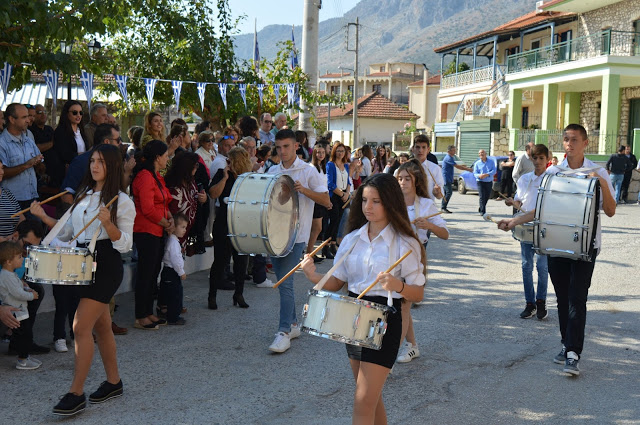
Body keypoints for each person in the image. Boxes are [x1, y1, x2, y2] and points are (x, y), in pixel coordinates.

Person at [300, 173, 426, 424]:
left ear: (390, 202)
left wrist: (397, 285)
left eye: (376, 201)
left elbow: (418, 292)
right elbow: (337, 282)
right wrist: (313, 274)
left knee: (362, 400)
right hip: (353, 316)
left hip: (384, 319)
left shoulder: (406, 243)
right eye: (365, 200)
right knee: (370, 398)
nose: (368, 207)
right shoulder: (351, 239)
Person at [498, 124, 616, 376]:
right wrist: (513, 222)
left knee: (577, 297)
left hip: (585, 246)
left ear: (585, 143)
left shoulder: (598, 171)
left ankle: (573, 353)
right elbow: (538, 210)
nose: (569, 143)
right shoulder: (553, 172)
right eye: (566, 139)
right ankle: (566, 344)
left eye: (574, 139)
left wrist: (601, 184)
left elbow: (611, 210)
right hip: (556, 243)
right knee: (563, 297)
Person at [31, 143, 135, 415]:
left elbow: (125, 245)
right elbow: (67, 235)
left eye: (101, 161)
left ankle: (75, 393)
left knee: (79, 327)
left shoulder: (122, 201)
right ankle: (114, 382)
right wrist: (44, 217)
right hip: (83, 263)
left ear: (111, 166)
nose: (95, 166)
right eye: (92, 161)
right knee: (100, 327)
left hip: (106, 265)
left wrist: (110, 225)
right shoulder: (84, 195)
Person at [267, 129, 329, 353]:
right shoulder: (273, 170)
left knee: (285, 283)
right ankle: (293, 325)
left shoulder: (308, 171)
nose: (282, 151)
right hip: (275, 235)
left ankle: (283, 331)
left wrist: (304, 191)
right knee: (284, 283)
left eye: (286, 146)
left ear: (295, 146)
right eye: (279, 147)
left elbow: (326, 199)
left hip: (298, 236)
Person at [395, 160, 448, 364]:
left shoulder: (426, 204)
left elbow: (445, 234)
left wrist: (428, 225)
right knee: (401, 306)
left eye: (407, 178)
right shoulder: (392, 202)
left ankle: (387, 359)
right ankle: (412, 346)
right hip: (392, 257)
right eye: (399, 178)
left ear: (416, 181)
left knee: (403, 307)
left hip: (416, 258)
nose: (403, 182)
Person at [504, 144, 550, 320]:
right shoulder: (524, 179)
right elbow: (519, 202)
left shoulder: (551, 178)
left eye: (541, 158)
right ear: (530, 158)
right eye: (535, 158)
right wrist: (511, 202)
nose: (538, 162)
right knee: (526, 266)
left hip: (544, 228)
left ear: (547, 159)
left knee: (542, 267)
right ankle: (529, 303)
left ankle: (541, 302)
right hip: (525, 227)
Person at [131, 140, 173, 330]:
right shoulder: (145, 177)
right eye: (165, 155)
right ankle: (141, 315)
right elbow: (148, 209)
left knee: (152, 273)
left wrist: (169, 219)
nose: (168, 158)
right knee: (146, 274)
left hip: (156, 229)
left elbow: (163, 202)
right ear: (157, 157)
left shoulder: (155, 176)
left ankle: (148, 312)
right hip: (146, 231)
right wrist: (166, 224)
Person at [208, 147, 254, 309]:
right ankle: (212, 296)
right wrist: (225, 178)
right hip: (224, 221)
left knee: (241, 261)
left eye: (230, 160)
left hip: (242, 222)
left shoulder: (248, 178)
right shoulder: (222, 174)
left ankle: (239, 294)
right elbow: (213, 194)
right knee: (220, 261)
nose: (226, 162)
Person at [0, 241, 40, 370]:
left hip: (21, 311)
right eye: (19, 257)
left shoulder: (11, 274)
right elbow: (18, 294)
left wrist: (27, 288)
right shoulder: (6, 276)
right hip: (16, 313)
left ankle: (26, 356)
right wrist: (31, 296)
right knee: (23, 336)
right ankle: (22, 360)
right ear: (8, 261)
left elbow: (19, 288)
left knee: (25, 335)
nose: (22, 259)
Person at [0, 103, 44, 211]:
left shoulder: (28, 140)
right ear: (12, 119)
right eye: (24, 117)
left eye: (28, 116)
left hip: (32, 196)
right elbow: (3, 173)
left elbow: (40, 167)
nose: (28, 120)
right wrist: (27, 165)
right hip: (12, 201)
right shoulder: (2, 142)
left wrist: (39, 164)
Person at [160, 213, 188, 325]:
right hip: (172, 271)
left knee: (167, 293)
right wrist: (181, 272)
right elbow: (175, 259)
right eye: (182, 227)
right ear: (174, 227)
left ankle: (164, 311)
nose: (184, 230)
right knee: (175, 295)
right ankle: (173, 317)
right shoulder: (173, 243)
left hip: (168, 271)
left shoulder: (172, 240)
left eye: (185, 227)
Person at [324, 143, 351, 259]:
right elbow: (330, 183)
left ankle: (333, 245)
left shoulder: (346, 166)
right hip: (335, 195)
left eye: (342, 151)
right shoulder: (330, 165)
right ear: (334, 152)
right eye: (338, 151)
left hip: (344, 195)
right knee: (333, 220)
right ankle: (325, 246)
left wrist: (347, 194)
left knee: (339, 221)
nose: (341, 153)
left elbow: (348, 182)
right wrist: (342, 194)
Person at [53, 101, 88, 185]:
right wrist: (85, 155)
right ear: (67, 114)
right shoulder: (61, 131)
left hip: (83, 171)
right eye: (75, 113)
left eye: (81, 112)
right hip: (69, 173)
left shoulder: (81, 131)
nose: (78, 115)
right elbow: (65, 154)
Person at [307, 142, 330, 264]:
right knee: (317, 228)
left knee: (317, 228)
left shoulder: (323, 167)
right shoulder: (311, 168)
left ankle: (310, 252)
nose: (320, 155)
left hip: (322, 199)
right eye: (318, 152)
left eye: (322, 152)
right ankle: (309, 253)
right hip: (315, 200)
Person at [406, 134, 443, 202]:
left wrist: (437, 193)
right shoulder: (404, 168)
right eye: (417, 147)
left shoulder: (435, 169)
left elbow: (440, 196)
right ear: (413, 149)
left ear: (428, 149)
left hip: (427, 210)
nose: (420, 150)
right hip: (408, 209)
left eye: (423, 147)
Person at [28, 104, 59, 186]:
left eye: (45, 112)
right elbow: (34, 149)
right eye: (39, 112)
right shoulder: (30, 131)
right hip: (39, 171)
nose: (43, 114)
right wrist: (51, 143)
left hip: (54, 170)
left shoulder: (49, 129)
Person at [440, 145, 472, 213]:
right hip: (446, 178)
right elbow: (457, 166)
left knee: (446, 193)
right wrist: (468, 169)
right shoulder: (448, 158)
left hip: (448, 177)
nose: (455, 151)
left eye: (455, 150)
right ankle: (443, 207)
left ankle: (443, 207)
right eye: (453, 150)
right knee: (449, 192)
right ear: (449, 151)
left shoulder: (451, 157)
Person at [0, 159, 22, 241]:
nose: (2, 172)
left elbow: (21, 218)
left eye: (2, 168)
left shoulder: (7, 193)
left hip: (10, 246)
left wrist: (16, 234)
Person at [473, 149, 496, 215]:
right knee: (482, 196)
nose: (481, 154)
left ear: (485, 154)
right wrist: (479, 175)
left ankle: (481, 207)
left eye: (482, 153)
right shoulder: (477, 163)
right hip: (480, 181)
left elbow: (494, 171)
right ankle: (483, 211)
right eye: (479, 153)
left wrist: (487, 174)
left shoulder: (491, 162)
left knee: (487, 196)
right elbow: (475, 173)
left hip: (488, 181)